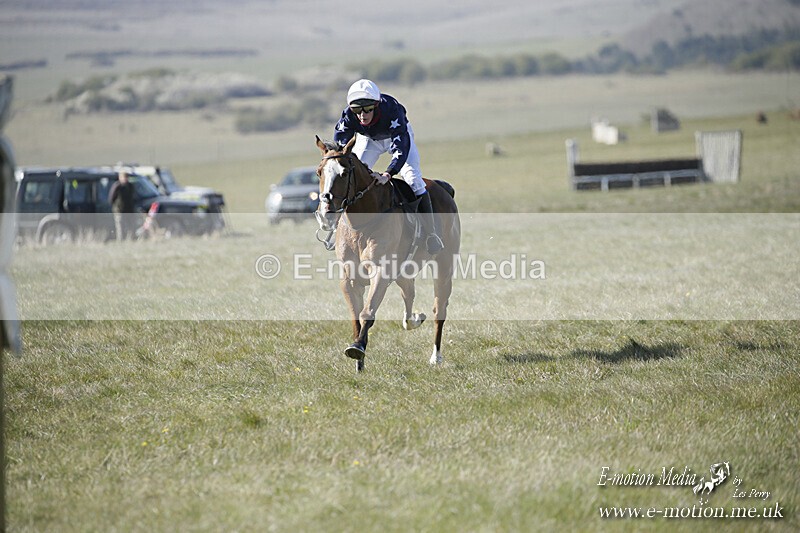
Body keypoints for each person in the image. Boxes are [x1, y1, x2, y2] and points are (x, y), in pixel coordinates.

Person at [333, 79, 444, 254]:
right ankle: (338, 231)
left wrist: (388, 174)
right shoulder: (348, 116)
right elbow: (341, 143)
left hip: (398, 137)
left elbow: (400, 149)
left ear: (376, 105)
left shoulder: (392, 110)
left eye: (368, 109)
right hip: (369, 140)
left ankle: (431, 234)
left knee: (413, 178)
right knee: (352, 178)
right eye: (357, 110)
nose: (362, 114)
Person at [108, 170, 137, 241]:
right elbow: (111, 199)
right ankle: (120, 241)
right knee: (120, 227)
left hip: (129, 210)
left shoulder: (130, 186)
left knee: (130, 226)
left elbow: (134, 197)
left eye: (126, 177)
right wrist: (116, 207)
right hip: (119, 211)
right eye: (123, 177)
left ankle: (131, 240)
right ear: (120, 178)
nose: (125, 179)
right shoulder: (117, 186)